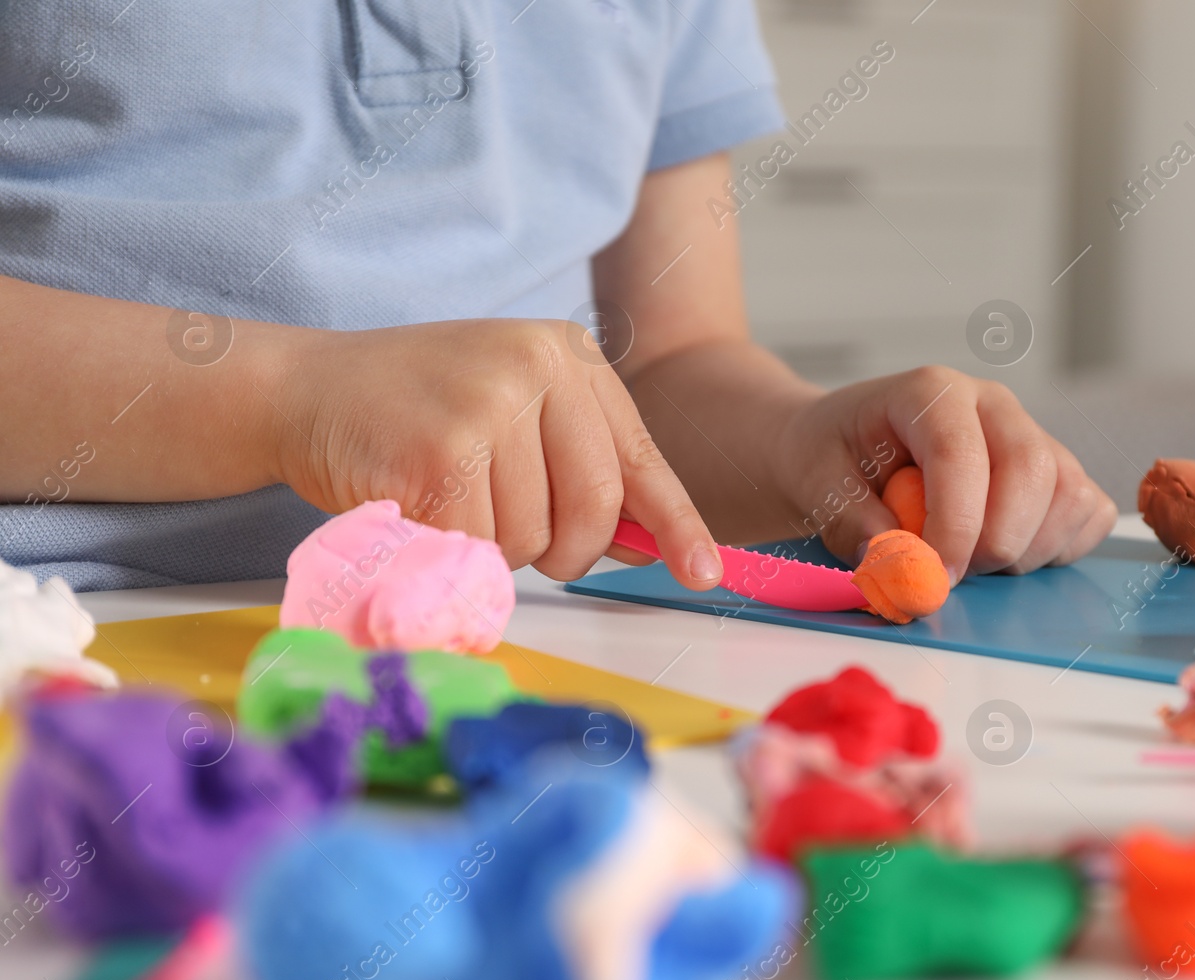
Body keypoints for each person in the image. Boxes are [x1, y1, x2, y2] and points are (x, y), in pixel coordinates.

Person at [0, 2, 1115, 592]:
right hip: (55, 630)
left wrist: (800, 446)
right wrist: (293, 396)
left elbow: (663, 361)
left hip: (507, 641)